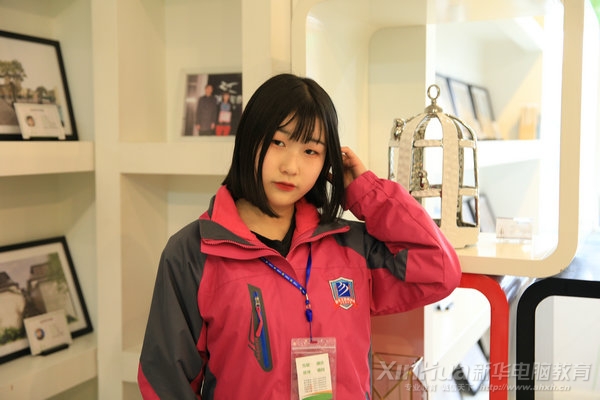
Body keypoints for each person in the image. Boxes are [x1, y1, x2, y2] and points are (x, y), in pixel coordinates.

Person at [137, 73, 461, 399]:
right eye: (278, 142)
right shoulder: (193, 254)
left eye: (310, 151)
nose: (291, 167)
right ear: (249, 139)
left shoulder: (350, 246)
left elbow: (439, 269)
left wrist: (366, 192)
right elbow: (166, 383)